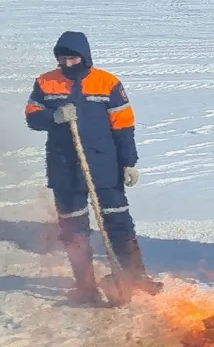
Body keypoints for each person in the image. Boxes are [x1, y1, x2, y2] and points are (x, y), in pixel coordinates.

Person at [25, 31, 161, 306]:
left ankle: (134, 275)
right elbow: (32, 117)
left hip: (104, 165)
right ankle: (85, 286)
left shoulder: (107, 82)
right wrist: (55, 116)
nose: (68, 63)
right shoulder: (46, 82)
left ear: (85, 56)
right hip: (64, 167)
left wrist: (129, 163)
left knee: (118, 222)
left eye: (73, 58)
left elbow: (123, 126)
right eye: (63, 58)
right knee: (74, 230)